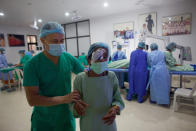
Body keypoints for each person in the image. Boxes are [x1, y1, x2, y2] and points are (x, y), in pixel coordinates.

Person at [23, 22, 86, 131]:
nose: (60, 44)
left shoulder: (68, 58)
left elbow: (85, 75)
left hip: (66, 116)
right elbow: (32, 100)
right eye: (55, 41)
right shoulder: (32, 65)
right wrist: (63, 99)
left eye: (62, 41)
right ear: (43, 40)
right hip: (44, 120)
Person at [72, 42, 124, 131]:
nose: (102, 60)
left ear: (108, 59)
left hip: (108, 124)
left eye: (105, 57)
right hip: (88, 124)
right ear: (89, 60)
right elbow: (74, 102)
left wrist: (115, 108)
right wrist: (76, 106)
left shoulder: (111, 77)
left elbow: (118, 100)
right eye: (97, 56)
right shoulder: (80, 79)